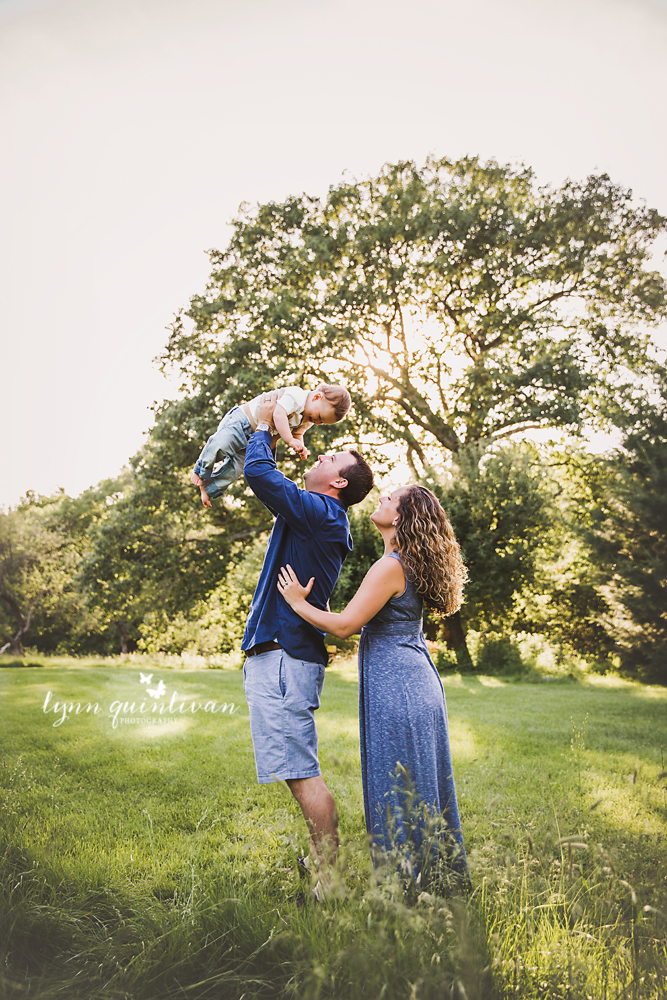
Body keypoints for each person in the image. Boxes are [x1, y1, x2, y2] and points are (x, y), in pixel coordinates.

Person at [278, 484, 469, 887]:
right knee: (416, 786)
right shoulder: (401, 563)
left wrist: (298, 604)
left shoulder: (391, 566)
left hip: (399, 687)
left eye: (389, 499)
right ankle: (432, 881)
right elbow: (353, 618)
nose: (380, 499)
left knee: (397, 786)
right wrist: (322, 614)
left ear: (399, 517)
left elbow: (347, 627)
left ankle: (407, 888)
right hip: (414, 684)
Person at [241, 391, 374, 888]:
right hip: (280, 651)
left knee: (301, 771)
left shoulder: (322, 512)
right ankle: (323, 861)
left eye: (331, 456)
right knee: (296, 769)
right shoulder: (318, 515)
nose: (321, 452)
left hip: (284, 654)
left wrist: (261, 427)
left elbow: (260, 476)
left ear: (338, 482)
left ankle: (328, 879)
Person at [191, 383, 351, 507]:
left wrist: (299, 445)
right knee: (220, 445)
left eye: (321, 422)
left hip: (252, 440)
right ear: (316, 397)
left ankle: (209, 488)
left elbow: (298, 433)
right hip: (242, 422)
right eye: (319, 416)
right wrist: (289, 440)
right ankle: (201, 471)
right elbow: (278, 414)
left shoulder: (308, 419)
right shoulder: (297, 396)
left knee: (236, 470)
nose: (316, 421)